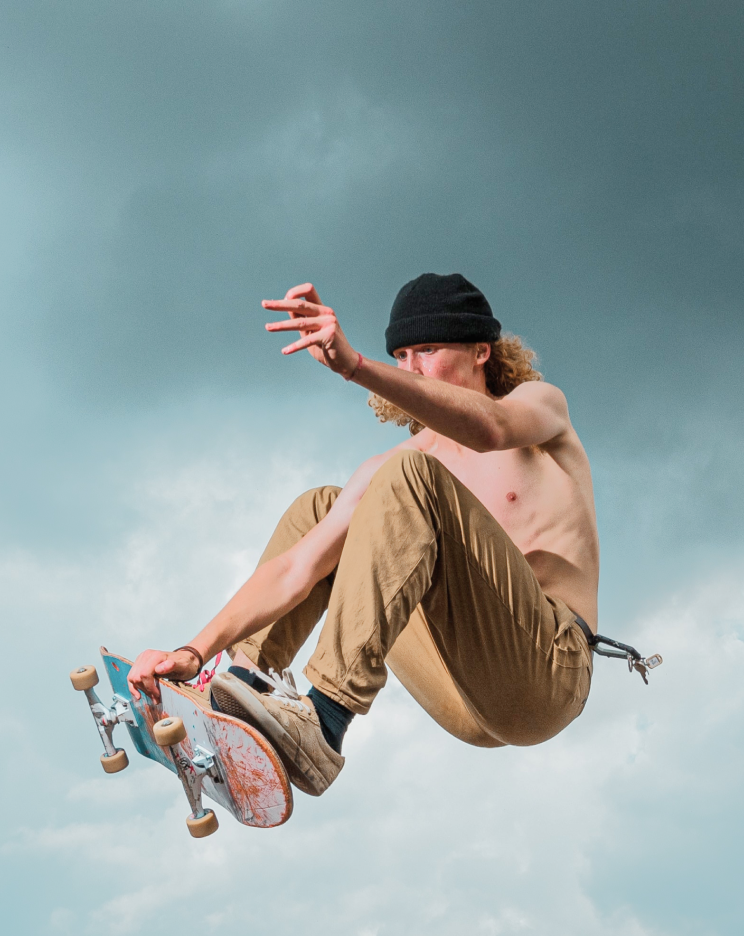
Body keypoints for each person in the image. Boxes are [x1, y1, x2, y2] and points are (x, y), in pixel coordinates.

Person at [128, 273, 598, 797]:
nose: (412, 368)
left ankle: (324, 720)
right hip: (459, 693)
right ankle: (237, 691)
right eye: (400, 355)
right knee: (325, 507)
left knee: (404, 478)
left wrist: (353, 366)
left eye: (427, 349)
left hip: (546, 673)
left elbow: (491, 429)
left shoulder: (538, 407)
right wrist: (192, 651)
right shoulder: (406, 462)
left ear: (481, 352)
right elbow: (295, 568)